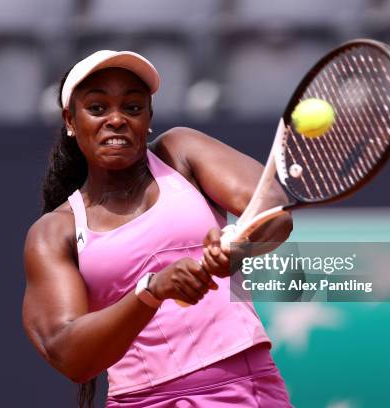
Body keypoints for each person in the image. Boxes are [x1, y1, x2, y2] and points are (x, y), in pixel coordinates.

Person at [22, 50, 294, 407]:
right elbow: (69, 354)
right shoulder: (53, 232)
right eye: (98, 108)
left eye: (132, 107)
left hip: (240, 389)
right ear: (70, 120)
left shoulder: (179, 151)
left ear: (148, 117)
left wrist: (237, 250)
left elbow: (272, 211)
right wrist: (151, 291)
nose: (117, 120)